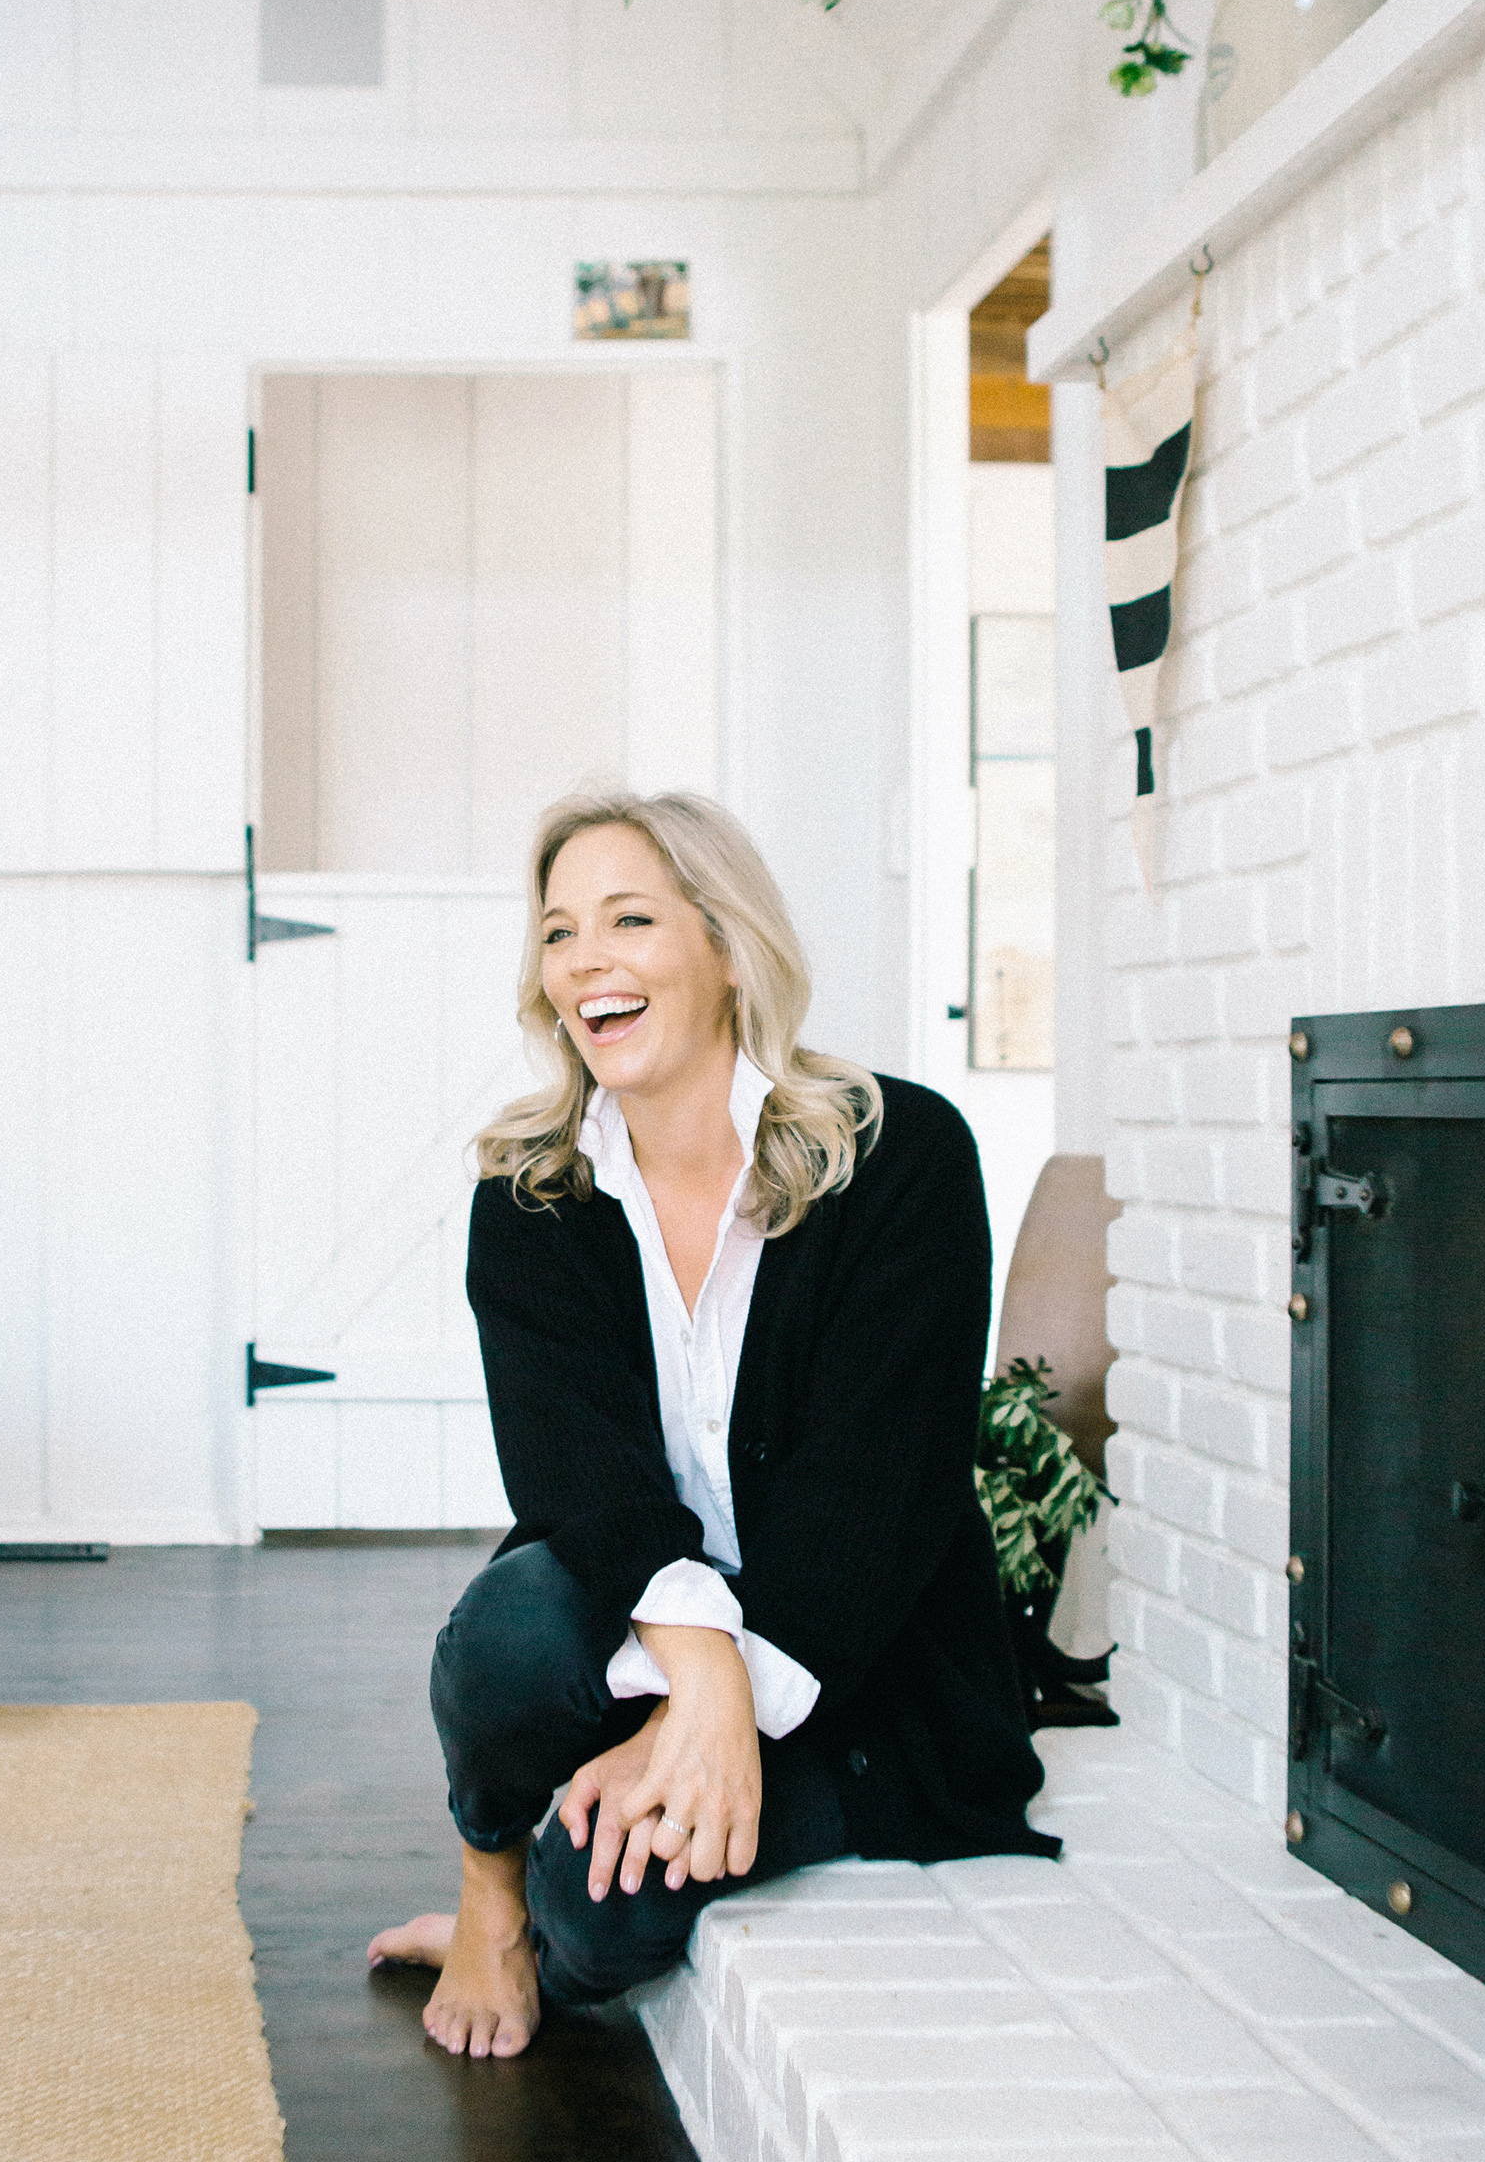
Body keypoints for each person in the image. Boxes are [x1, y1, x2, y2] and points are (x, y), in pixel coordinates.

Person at [369, 791, 1054, 2057]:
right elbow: (574, 1472)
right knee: (501, 1644)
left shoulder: (896, 1155)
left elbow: (879, 1503)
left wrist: (706, 1716)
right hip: (653, 1617)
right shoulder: (530, 1192)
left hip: (857, 1665)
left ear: (727, 948)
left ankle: (538, 1915)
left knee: (602, 1914)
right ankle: (482, 1888)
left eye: (629, 918)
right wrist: (694, 1676)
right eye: (559, 932)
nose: (585, 961)